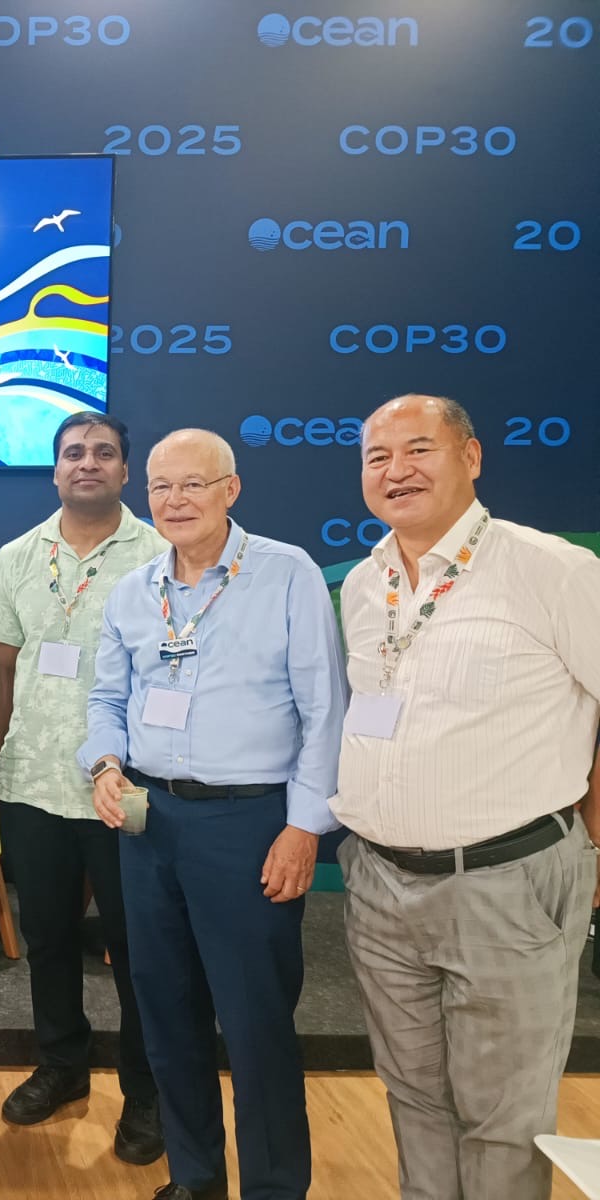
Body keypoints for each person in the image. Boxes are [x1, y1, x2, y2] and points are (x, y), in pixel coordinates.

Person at [332, 394, 600, 1200]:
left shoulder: (552, 570)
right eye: (378, 457)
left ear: (472, 457)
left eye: (419, 449)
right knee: (413, 1098)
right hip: (380, 885)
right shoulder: (363, 583)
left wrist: (594, 845)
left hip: (506, 886)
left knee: (503, 1119)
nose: (396, 471)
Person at [80, 428, 345, 1200]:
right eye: (161, 487)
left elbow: (325, 710)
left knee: (257, 1027)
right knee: (167, 1017)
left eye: (193, 484)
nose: (175, 500)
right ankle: (195, 1179)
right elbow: (106, 699)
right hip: (148, 824)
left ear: (231, 489)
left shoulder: (286, 573)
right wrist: (104, 764)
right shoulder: (135, 590)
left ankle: (273, 1189)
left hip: (249, 826)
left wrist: (303, 827)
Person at [0, 413, 167, 1160]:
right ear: (55, 470)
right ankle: (61, 1065)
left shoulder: (160, 554)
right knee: (49, 939)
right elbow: (2, 672)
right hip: (32, 783)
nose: (87, 463)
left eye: (103, 452)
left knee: (137, 947)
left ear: (124, 470)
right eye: (73, 453)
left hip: (126, 790)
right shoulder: (16, 558)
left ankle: (147, 1091)